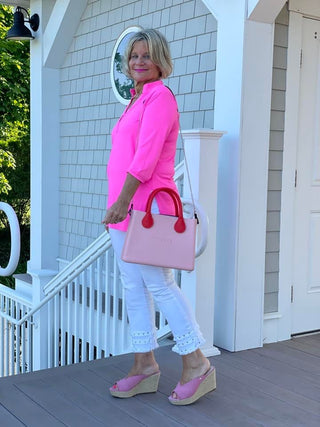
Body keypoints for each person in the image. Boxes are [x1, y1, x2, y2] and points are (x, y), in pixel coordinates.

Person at [102, 28, 216, 405]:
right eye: (133, 56)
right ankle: (144, 364)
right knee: (133, 286)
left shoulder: (161, 98)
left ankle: (197, 363)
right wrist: (118, 204)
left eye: (145, 56)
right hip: (125, 210)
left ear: (160, 60)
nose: (137, 61)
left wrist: (122, 201)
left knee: (159, 284)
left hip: (144, 208)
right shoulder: (138, 98)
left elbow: (146, 159)